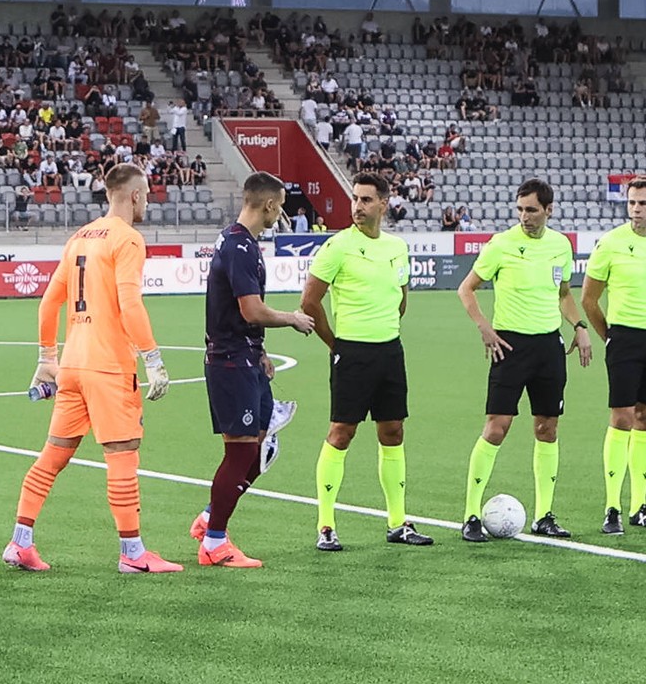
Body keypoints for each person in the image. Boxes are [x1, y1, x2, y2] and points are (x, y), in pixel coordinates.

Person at [12, 161, 177, 573]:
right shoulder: (128, 239)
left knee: (52, 456)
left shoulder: (80, 237)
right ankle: (133, 554)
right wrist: (153, 357)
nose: (148, 201)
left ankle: (20, 543)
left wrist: (46, 359)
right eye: (147, 194)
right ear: (135, 195)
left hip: (72, 365)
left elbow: (49, 301)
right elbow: (129, 302)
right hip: (107, 366)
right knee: (122, 455)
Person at [190, 170, 315, 568]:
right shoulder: (239, 247)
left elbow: (243, 316)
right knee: (240, 452)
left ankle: (211, 517)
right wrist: (292, 318)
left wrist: (260, 349)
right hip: (230, 363)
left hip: (246, 357)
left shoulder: (239, 243)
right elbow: (251, 309)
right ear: (270, 205)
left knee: (260, 448)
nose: (281, 214)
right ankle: (214, 542)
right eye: (280, 207)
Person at [299, 170, 425, 550]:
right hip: (351, 353)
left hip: (390, 351)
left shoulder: (397, 247)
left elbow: (402, 298)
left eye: (367, 199)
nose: (358, 206)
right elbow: (309, 302)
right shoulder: (338, 246)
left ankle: (398, 523)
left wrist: (384, 326)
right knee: (342, 432)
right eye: (355, 199)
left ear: (384, 204)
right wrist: (335, 344)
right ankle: (325, 525)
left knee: (393, 432)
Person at [456, 178, 589, 539]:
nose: (524, 217)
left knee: (547, 428)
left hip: (548, 347)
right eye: (520, 210)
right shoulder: (501, 245)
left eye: (531, 210)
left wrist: (578, 325)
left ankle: (544, 514)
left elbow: (563, 294)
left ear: (549, 210)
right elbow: (466, 289)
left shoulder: (561, 246)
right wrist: (484, 327)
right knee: (497, 427)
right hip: (509, 347)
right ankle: (470, 514)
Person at [582, 174, 646, 532]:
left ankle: (640, 506)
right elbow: (589, 300)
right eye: (632, 203)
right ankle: (612, 508)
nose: (636, 209)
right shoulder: (610, 243)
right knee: (621, 418)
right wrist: (610, 336)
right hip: (623, 339)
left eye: (643, 203)